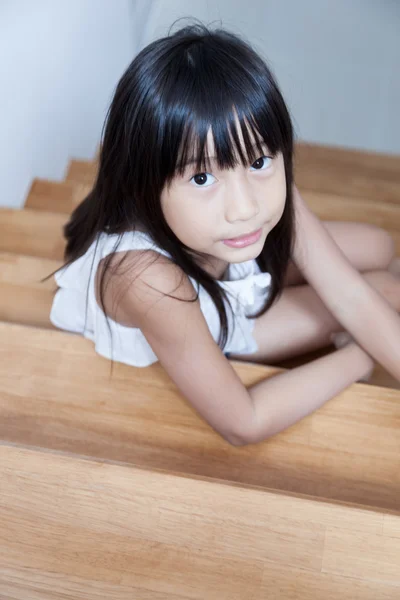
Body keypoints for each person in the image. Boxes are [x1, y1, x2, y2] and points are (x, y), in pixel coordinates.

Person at [45, 20, 400, 446]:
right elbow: (243, 422)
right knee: (386, 291)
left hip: (215, 260)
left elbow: (350, 296)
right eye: (200, 178)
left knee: (381, 247)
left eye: (258, 161)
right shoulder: (146, 279)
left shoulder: (256, 195)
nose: (246, 207)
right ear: (143, 181)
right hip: (202, 314)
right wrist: (360, 357)